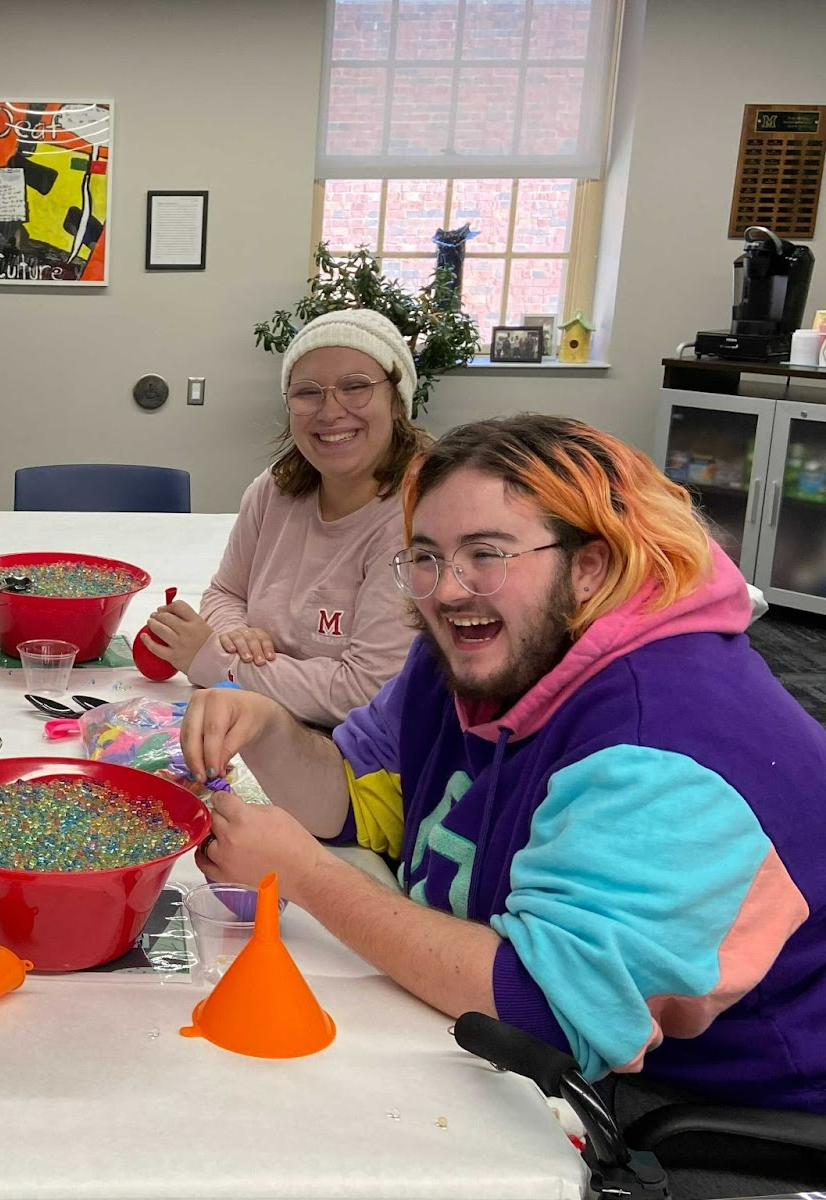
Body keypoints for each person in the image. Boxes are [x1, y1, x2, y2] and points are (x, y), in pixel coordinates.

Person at [182, 415, 826, 1197]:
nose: (450, 589)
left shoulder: (668, 742)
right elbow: (362, 803)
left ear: (589, 566)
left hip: (708, 1107)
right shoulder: (474, 649)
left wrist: (307, 876)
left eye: (488, 554)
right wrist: (272, 730)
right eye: (426, 557)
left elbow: (545, 1011)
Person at [143, 308, 428, 727]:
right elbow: (225, 592)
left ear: (397, 400)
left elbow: (363, 692)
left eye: (355, 387)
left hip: (348, 757)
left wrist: (213, 658)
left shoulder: (415, 521)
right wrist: (236, 634)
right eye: (308, 392)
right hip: (255, 723)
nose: (330, 411)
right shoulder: (274, 489)